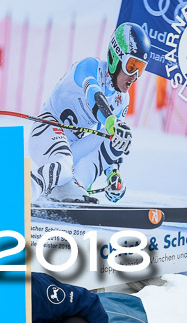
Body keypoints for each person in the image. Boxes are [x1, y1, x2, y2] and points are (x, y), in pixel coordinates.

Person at [30, 22, 150, 204]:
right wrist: (111, 121)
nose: (134, 76)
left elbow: (111, 142)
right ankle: (23, 191)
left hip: (73, 147)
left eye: (140, 68)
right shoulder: (90, 67)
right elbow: (94, 94)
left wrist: (113, 175)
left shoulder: (122, 101)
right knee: (64, 165)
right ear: (115, 58)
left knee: (120, 135)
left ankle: (73, 186)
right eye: (131, 65)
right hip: (47, 129)